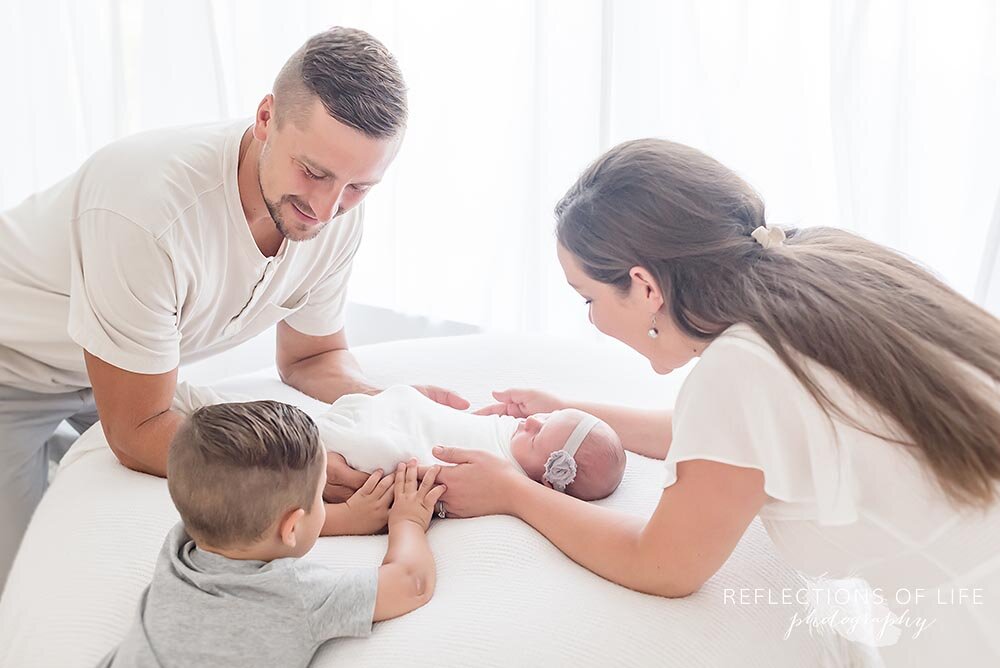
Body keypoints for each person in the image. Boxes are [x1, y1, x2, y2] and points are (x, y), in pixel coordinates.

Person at [430, 139, 1000, 666]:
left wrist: (514, 493)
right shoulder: (818, 265)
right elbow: (726, 444)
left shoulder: (742, 369)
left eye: (588, 298)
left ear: (645, 287)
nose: (592, 320)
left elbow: (663, 565)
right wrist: (570, 412)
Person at [0, 26, 466, 593]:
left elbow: (312, 357)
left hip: (128, 371)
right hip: (13, 368)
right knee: (18, 582)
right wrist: (293, 473)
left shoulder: (336, 212)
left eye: (357, 187)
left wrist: (390, 409)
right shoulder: (147, 209)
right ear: (265, 119)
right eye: (313, 173)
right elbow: (136, 427)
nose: (325, 208)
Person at [97, 400, 445, 668]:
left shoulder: (179, 547)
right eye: (320, 496)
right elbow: (412, 582)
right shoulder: (296, 595)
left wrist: (348, 519)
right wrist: (408, 522)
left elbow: (251, 520)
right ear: (291, 526)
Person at [173, 382, 626, 503]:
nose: (527, 424)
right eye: (541, 418)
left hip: (382, 438)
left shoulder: (501, 475)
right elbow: (453, 421)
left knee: (293, 428)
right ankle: (210, 408)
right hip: (391, 410)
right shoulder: (514, 433)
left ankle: (211, 413)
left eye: (538, 435)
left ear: (549, 477)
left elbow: (436, 474)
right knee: (303, 419)